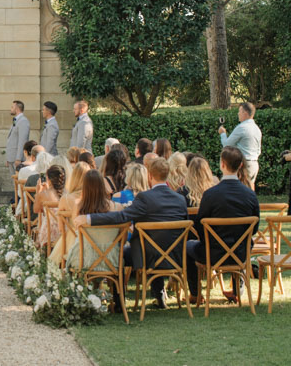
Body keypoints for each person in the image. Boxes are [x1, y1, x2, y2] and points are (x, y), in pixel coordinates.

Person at [75, 158, 188, 309]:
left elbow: (121, 217)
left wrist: (89, 218)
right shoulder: (180, 199)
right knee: (158, 242)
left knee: (119, 253)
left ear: (149, 176)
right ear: (167, 175)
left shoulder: (145, 198)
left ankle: (119, 302)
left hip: (147, 257)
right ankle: (159, 296)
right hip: (175, 255)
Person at [186, 147, 260, 303]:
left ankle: (195, 293)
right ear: (240, 165)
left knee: (186, 247)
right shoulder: (250, 194)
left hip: (212, 253)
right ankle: (237, 291)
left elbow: (200, 226)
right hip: (240, 253)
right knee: (242, 240)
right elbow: (254, 229)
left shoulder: (211, 194)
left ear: (222, 164)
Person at [66, 170, 121, 271]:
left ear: (84, 187)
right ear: (102, 185)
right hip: (111, 259)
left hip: (84, 259)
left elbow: (75, 229)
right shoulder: (115, 207)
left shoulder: (79, 207)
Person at [219, 102, 262, 189]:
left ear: (245, 113)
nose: (238, 113)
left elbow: (226, 145)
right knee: (250, 189)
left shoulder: (242, 127)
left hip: (244, 164)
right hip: (254, 163)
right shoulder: (257, 129)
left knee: (239, 191)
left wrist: (222, 134)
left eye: (239, 111)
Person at [33, 165, 65, 249]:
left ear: (48, 179)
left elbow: (36, 210)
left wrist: (38, 192)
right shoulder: (68, 194)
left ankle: (39, 247)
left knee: (42, 218)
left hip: (49, 233)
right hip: (66, 231)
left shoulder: (43, 195)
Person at [6, 100, 30, 177]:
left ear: (17, 109)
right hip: (11, 157)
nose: (11, 109)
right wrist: (8, 158)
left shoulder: (23, 121)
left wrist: (18, 158)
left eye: (12, 107)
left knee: (19, 182)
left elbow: (22, 141)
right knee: (14, 182)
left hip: (17, 158)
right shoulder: (16, 120)